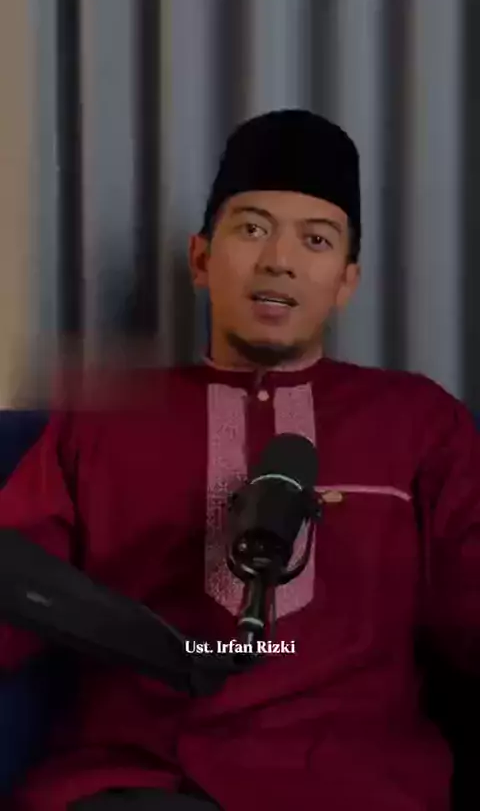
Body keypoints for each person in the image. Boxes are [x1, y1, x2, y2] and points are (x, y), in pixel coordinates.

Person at [0, 108, 480, 811]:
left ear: (346, 281)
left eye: (316, 240)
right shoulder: (102, 421)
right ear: (201, 259)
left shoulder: (419, 424)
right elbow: (13, 590)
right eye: (252, 229)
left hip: (356, 788)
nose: (279, 259)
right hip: (143, 783)